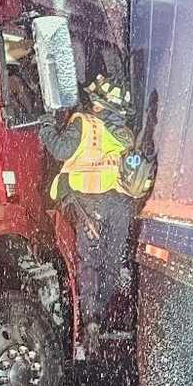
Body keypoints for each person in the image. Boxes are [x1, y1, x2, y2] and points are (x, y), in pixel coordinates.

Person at [38, 74, 136, 354]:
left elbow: (60, 149)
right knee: (111, 262)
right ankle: (101, 310)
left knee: (89, 261)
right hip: (119, 204)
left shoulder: (84, 123)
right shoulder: (125, 133)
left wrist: (46, 124)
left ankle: (91, 319)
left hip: (89, 203)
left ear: (97, 103)